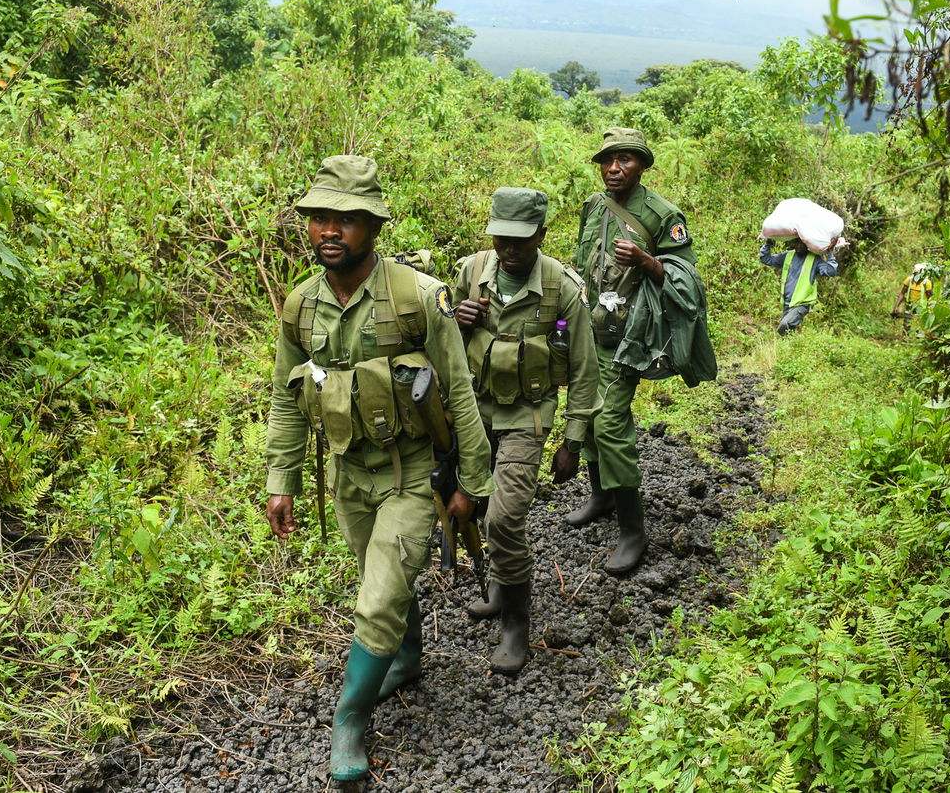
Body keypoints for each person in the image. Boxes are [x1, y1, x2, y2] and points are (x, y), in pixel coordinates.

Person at [262, 155, 492, 783]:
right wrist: (281, 479)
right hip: (348, 474)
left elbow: (459, 389)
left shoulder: (419, 297)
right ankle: (407, 656)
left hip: (412, 472)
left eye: (346, 219)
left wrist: (473, 484)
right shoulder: (302, 306)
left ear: (374, 227)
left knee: (379, 593)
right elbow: (287, 394)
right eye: (318, 219)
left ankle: (350, 720)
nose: (328, 231)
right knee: (380, 575)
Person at [450, 186, 599, 674]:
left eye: (521, 240)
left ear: (541, 234)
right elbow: (437, 343)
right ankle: (500, 583)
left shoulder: (561, 288)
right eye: (501, 239)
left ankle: (516, 623)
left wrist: (572, 443)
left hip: (526, 418)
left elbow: (584, 368)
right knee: (474, 505)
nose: (509, 249)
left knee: (505, 516)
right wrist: (459, 321)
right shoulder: (470, 274)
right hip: (472, 413)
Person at [565, 127, 696, 576]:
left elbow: (688, 282)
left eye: (625, 159)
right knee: (584, 410)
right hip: (589, 331)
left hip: (630, 339)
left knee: (609, 421)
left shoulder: (662, 215)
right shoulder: (593, 206)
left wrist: (647, 261)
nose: (614, 168)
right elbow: (583, 267)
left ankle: (633, 529)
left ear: (642, 165)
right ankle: (599, 496)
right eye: (608, 160)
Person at [758, 235, 840, 335]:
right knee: (788, 334)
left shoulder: (815, 260)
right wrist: (768, 243)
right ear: (793, 243)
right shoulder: (787, 256)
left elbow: (831, 271)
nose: (799, 246)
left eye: (803, 243)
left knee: (784, 325)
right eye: (797, 242)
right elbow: (766, 259)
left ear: (808, 244)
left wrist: (830, 252)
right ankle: (789, 349)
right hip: (787, 303)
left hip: (802, 304)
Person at [891, 262, 936, 333]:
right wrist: (897, 306)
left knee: (920, 326)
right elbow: (902, 293)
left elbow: (930, 297)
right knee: (906, 324)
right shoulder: (909, 280)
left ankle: (919, 341)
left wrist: (930, 308)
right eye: (915, 274)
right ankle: (904, 339)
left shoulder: (927, 283)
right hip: (910, 305)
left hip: (921, 307)